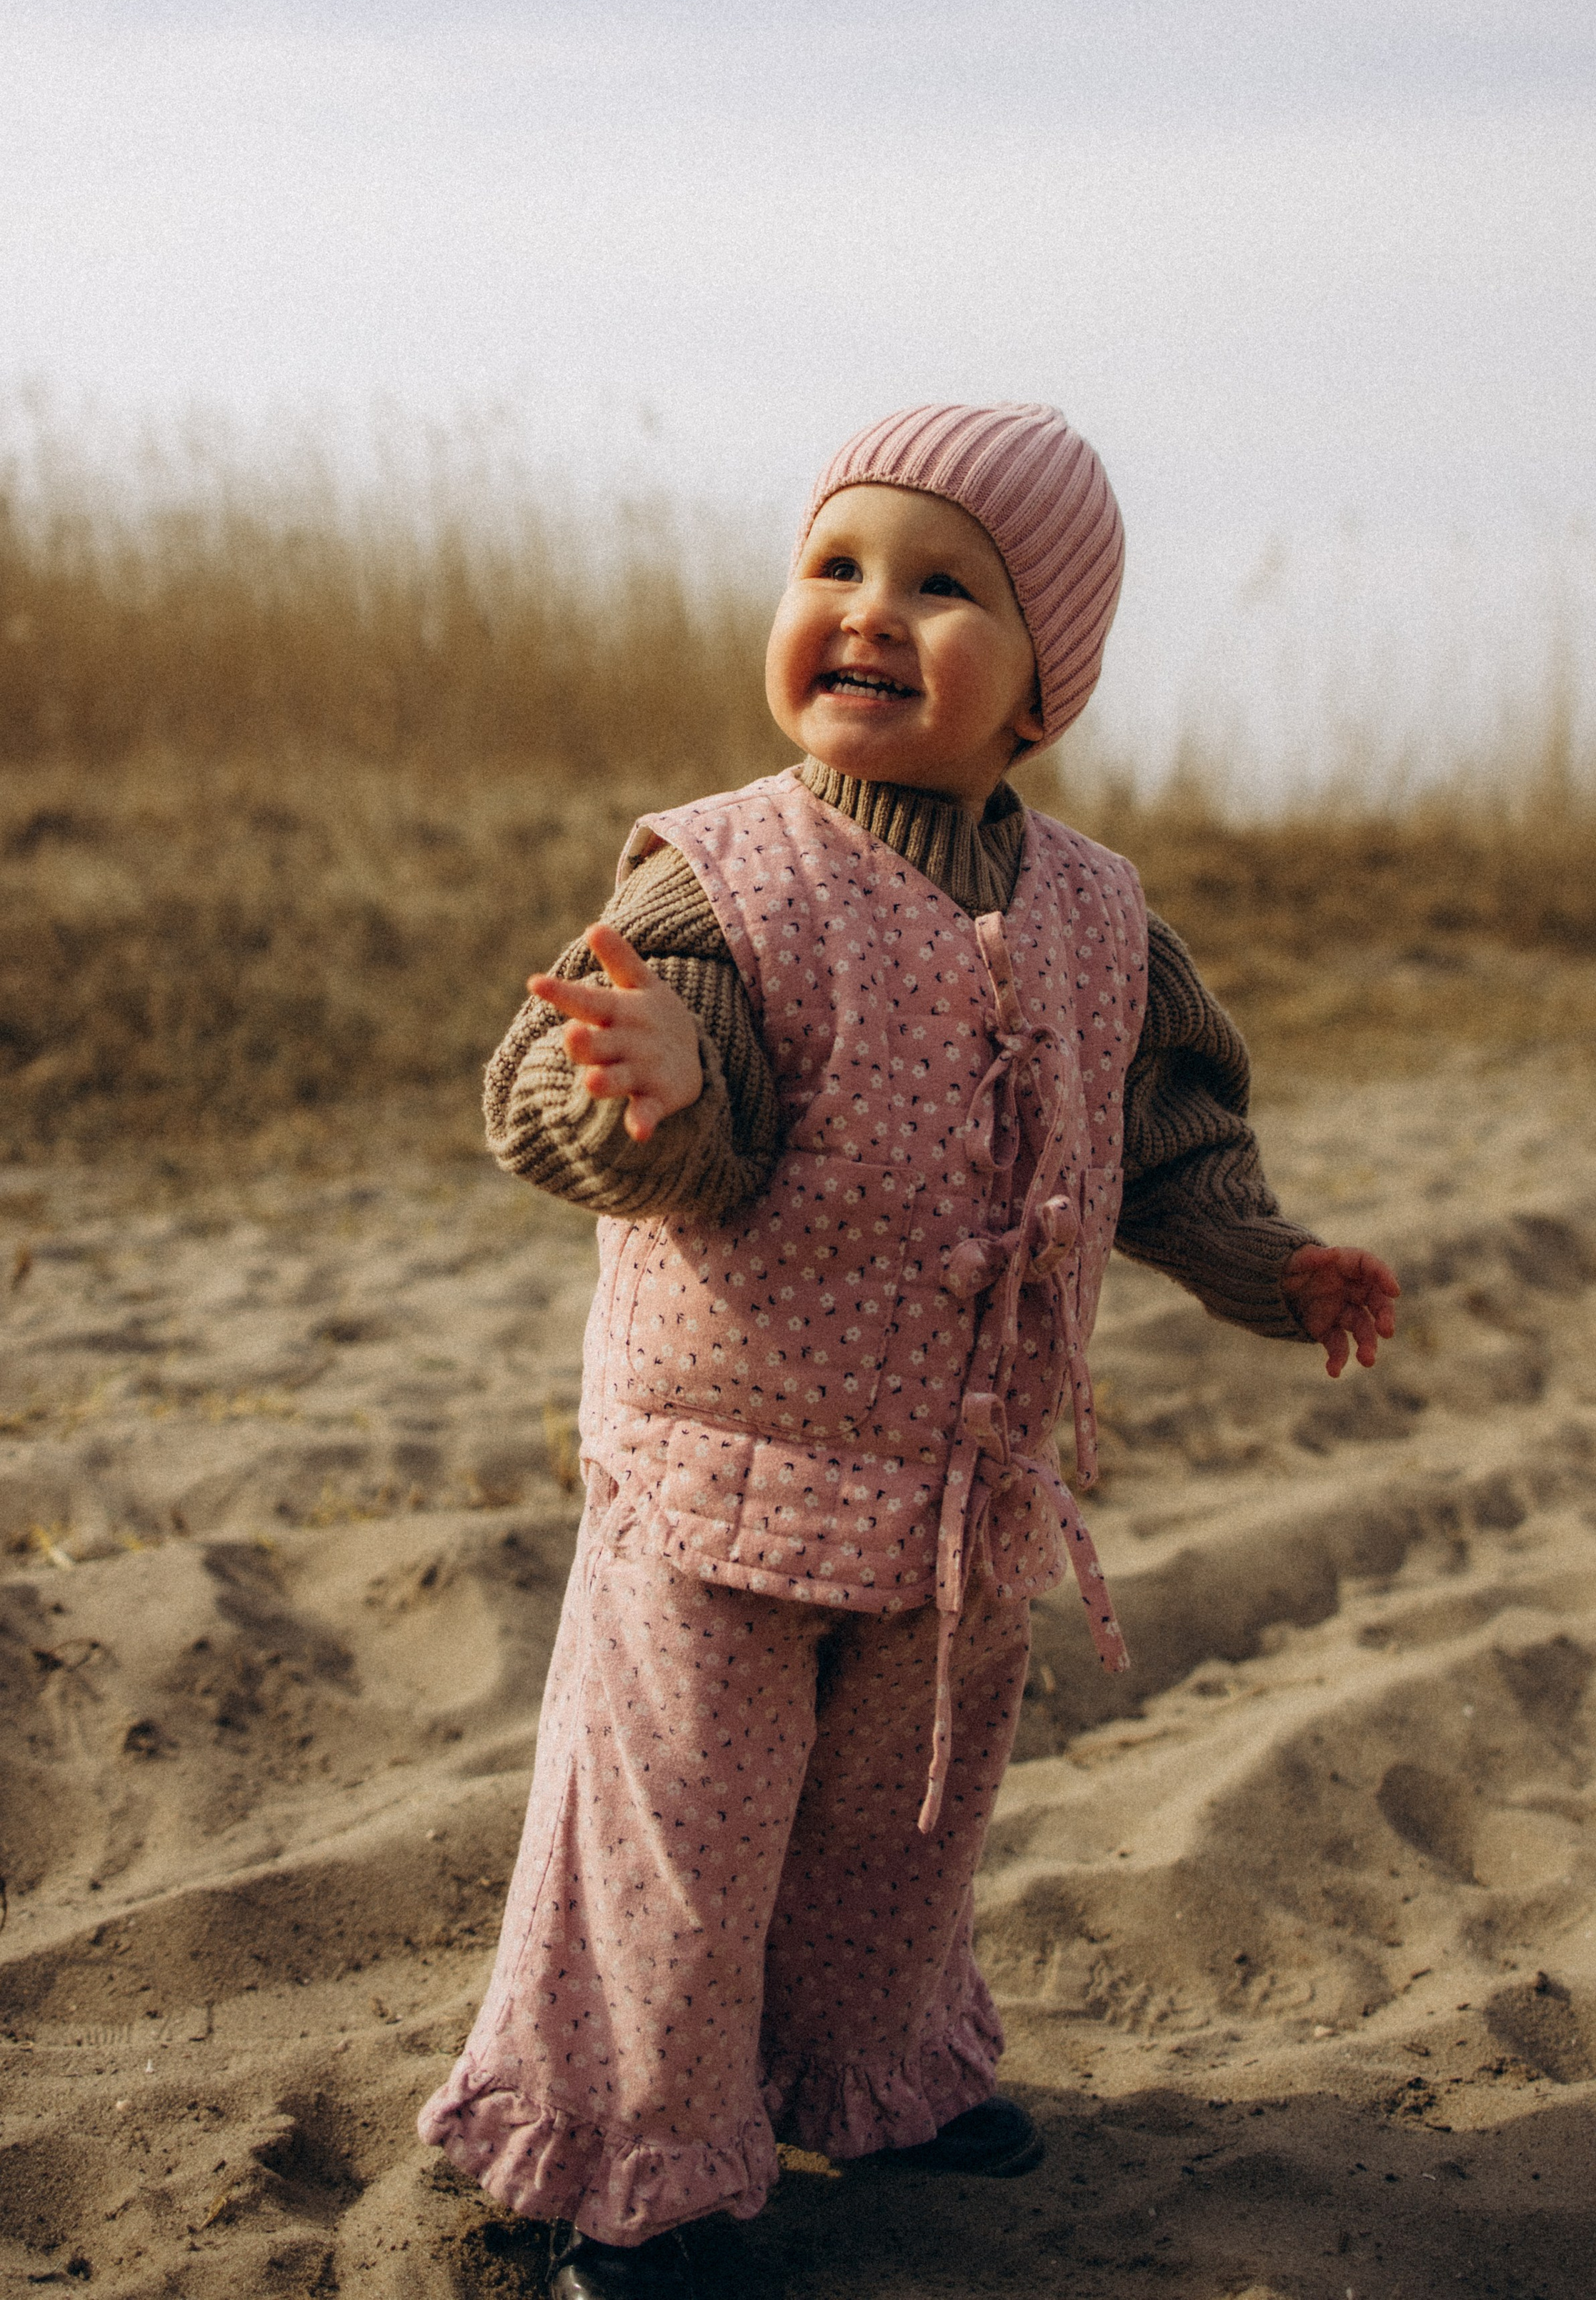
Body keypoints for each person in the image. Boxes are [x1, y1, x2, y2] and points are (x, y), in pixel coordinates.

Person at [418, 403, 1399, 2295]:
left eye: (944, 586)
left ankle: (874, 2078)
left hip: (960, 1490)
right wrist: (649, 1089)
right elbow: (587, 1075)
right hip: (724, 1471)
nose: (870, 610)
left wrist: (1272, 1268)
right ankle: (635, 2161)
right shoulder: (724, 881)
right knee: (678, 1840)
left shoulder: (1101, 915)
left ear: (1048, 687)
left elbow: (1164, 1138)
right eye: (836, 567)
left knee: (904, 1829)